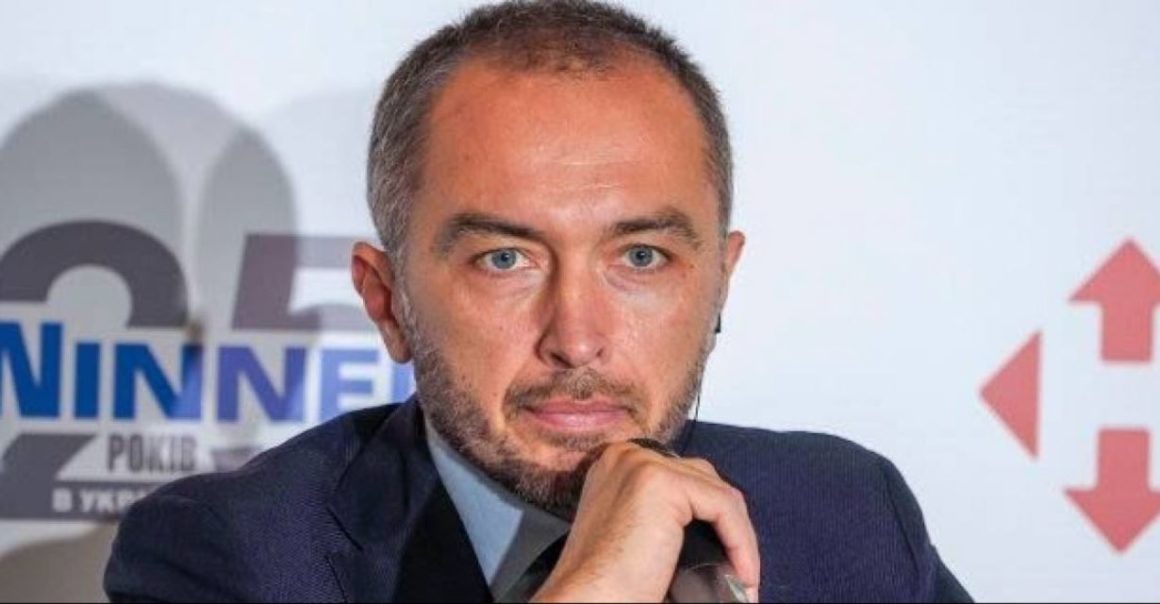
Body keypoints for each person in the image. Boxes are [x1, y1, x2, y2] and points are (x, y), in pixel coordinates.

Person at [105, 1, 971, 602]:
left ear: (720, 281)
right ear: (389, 302)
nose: (577, 338)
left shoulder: (845, 515)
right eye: (506, 259)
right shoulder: (232, 557)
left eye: (641, 257)